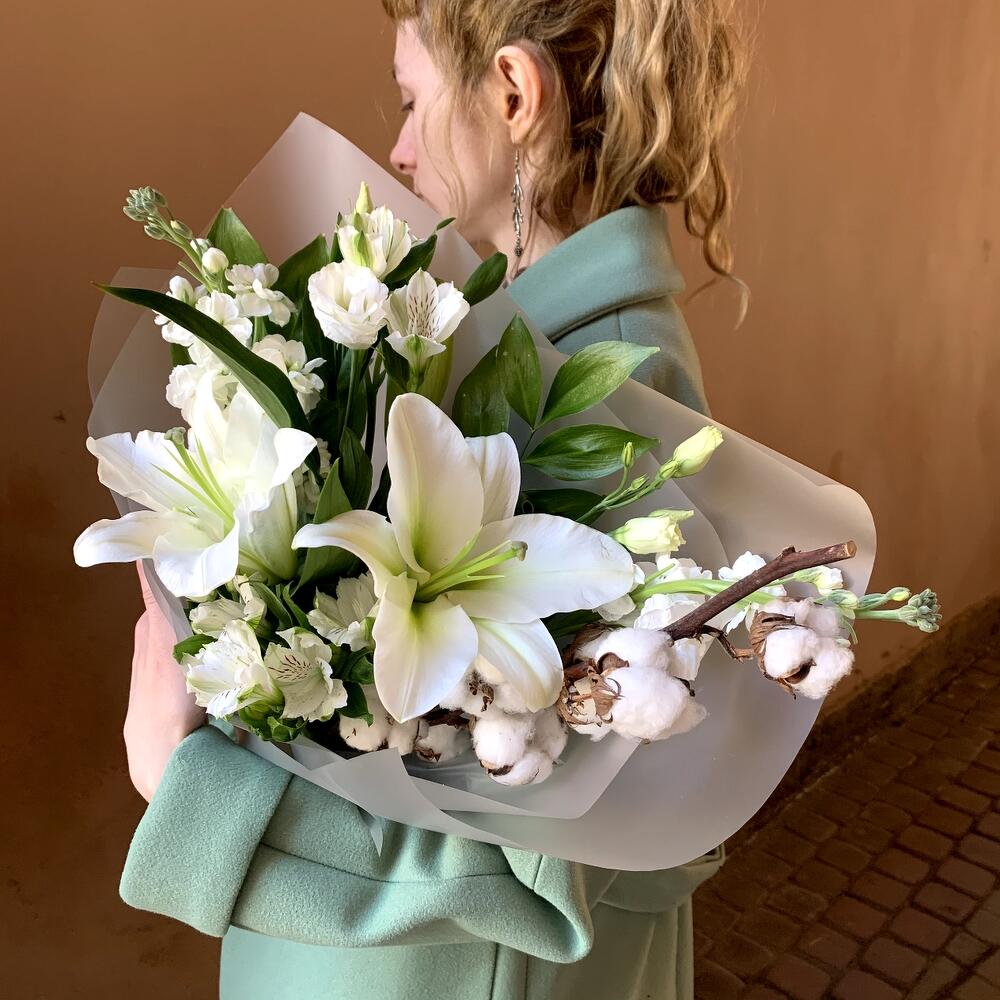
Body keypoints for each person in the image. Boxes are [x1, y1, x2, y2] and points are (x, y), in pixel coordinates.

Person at [120, 2, 750, 997]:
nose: (399, 150)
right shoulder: (514, 330)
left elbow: (542, 864)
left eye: (412, 102)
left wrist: (191, 791)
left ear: (514, 94)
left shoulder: (612, 384)